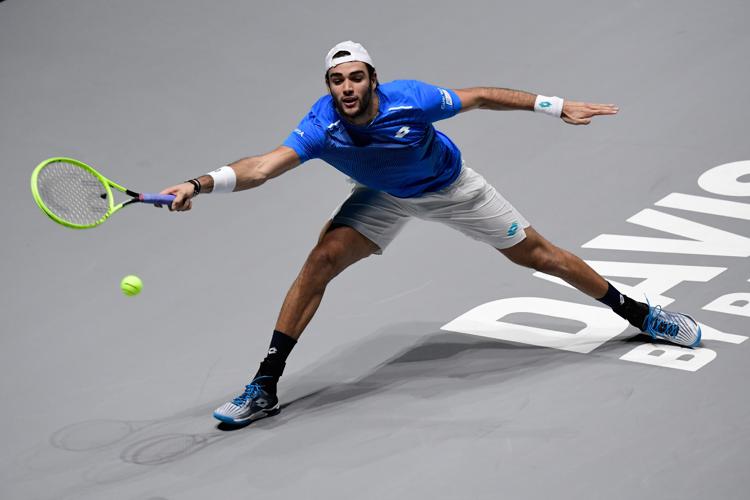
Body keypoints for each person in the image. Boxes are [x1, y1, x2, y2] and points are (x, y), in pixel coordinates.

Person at [160, 41, 701, 425]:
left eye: (355, 77)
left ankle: (640, 314)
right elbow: (261, 167)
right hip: (383, 197)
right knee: (322, 259)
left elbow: (482, 96)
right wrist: (197, 184)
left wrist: (555, 106)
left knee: (539, 255)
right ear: (329, 87)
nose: (346, 88)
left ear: (373, 79)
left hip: (452, 188)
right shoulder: (321, 125)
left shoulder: (412, 100)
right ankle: (266, 386)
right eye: (336, 79)